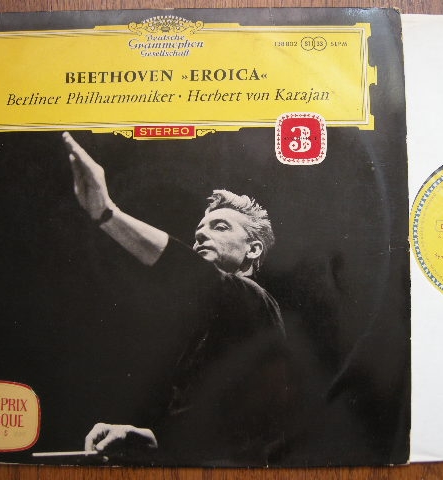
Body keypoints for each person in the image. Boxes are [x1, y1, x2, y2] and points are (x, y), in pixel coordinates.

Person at [62, 132, 287, 464]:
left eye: (220, 227)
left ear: (252, 249)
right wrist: (148, 437)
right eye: (198, 233)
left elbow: (189, 270)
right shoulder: (206, 329)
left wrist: (107, 213)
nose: (201, 235)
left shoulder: (254, 300)